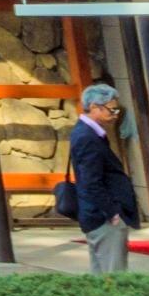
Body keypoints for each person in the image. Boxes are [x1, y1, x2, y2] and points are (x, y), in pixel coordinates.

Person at [56, 81, 141, 272]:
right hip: (103, 217)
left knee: (103, 277)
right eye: (112, 110)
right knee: (113, 277)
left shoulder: (86, 133)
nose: (115, 115)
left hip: (98, 215)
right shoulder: (88, 137)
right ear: (94, 107)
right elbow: (91, 182)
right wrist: (112, 213)